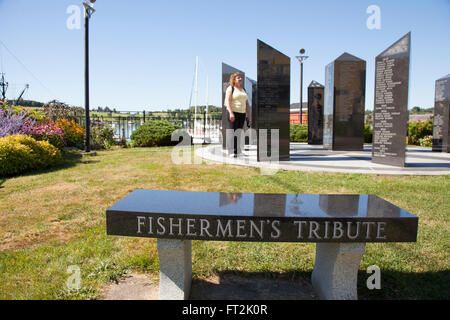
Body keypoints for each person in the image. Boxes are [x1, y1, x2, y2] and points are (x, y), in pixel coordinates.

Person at [225, 72, 251, 157]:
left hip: (242, 113)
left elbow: (247, 104)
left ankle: (238, 151)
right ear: (234, 80)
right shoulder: (230, 88)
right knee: (231, 132)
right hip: (233, 112)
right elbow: (227, 102)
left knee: (239, 132)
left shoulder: (243, 90)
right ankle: (231, 151)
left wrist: (249, 115)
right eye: (238, 78)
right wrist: (231, 113)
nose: (240, 79)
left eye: (240, 77)